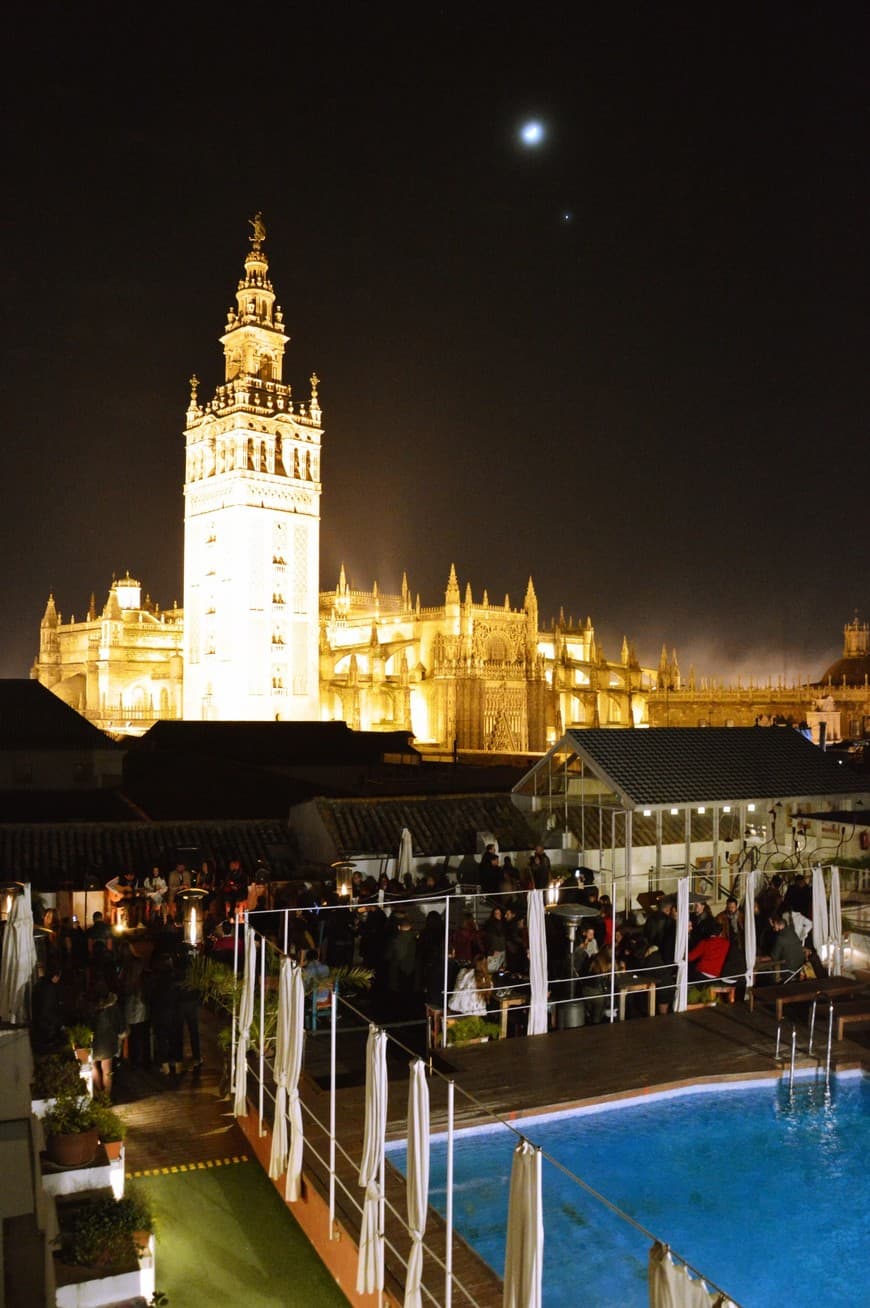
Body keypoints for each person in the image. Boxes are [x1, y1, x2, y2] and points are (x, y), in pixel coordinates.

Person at [90, 985, 125, 1096]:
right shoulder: (113, 1008)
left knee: (93, 1067)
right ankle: (106, 1096)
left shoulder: (89, 1007)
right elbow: (120, 1026)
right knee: (107, 1070)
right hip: (108, 1042)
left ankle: (98, 1093)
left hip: (92, 1041)